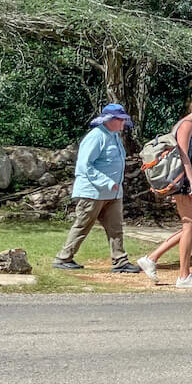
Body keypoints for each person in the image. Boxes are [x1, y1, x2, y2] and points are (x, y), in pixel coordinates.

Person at [137, 90, 192, 288]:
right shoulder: (186, 125)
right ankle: (183, 275)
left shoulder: (189, 125)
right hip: (183, 181)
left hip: (185, 180)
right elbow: (184, 156)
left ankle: (152, 258)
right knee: (189, 225)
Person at [54, 103, 140, 273]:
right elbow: (85, 165)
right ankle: (63, 258)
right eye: (120, 120)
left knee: (116, 228)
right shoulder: (96, 137)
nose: (123, 123)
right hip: (92, 192)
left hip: (113, 194)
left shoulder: (115, 137)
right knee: (83, 225)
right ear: (109, 120)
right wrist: (107, 182)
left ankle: (120, 261)